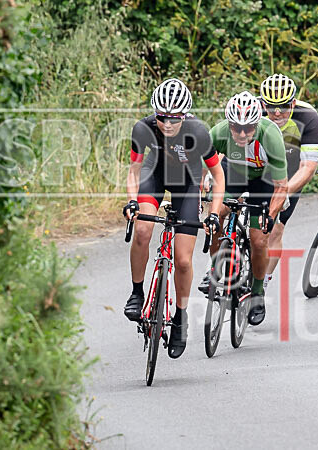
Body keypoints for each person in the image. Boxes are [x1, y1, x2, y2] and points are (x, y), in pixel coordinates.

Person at [122, 78, 225, 359]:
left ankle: (180, 317)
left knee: (182, 259)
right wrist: (132, 201)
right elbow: (134, 169)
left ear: (185, 115)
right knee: (142, 229)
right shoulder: (143, 128)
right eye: (162, 117)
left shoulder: (198, 132)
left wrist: (214, 213)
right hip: (153, 178)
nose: (167, 124)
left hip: (187, 185)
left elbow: (218, 176)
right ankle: (136, 293)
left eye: (174, 118)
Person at [203, 91, 288, 326]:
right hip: (234, 174)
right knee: (215, 216)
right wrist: (202, 188)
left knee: (259, 239)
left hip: (265, 181)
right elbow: (201, 166)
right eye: (236, 128)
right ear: (228, 124)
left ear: (256, 123)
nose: (242, 134)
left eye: (248, 128)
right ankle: (217, 267)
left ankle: (258, 293)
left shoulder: (270, 135)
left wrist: (270, 217)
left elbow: (282, 186)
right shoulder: (218, 132)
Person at [258, 74, 318, 289]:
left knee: (274, 230)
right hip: (258, 169)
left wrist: (285, 191)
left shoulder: (307, 117)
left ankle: (263, 282)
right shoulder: (253, 111)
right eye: (271, 106)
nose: (277, 113)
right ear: (263, 103)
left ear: (293, 103)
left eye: (283, 106)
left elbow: (308, 167)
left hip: (290, 174)